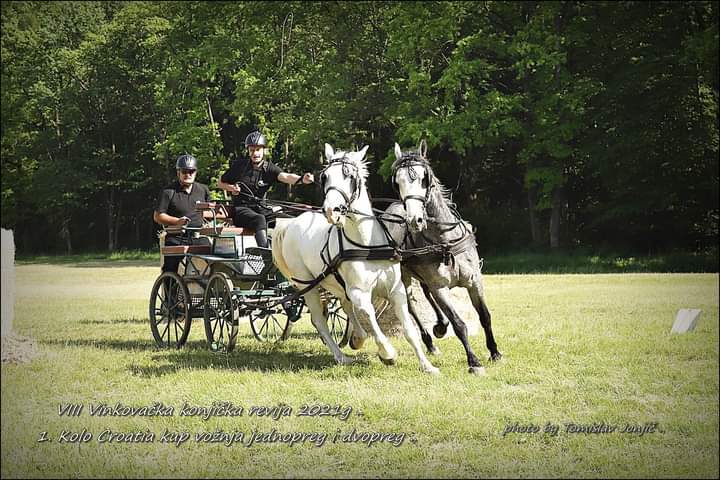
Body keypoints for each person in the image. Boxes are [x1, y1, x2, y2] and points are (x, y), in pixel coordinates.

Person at [217, 130, 314, 251]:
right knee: (259, 219)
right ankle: (265, 254)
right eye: (252, 150)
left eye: (258, 150)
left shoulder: (269, 168)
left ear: (264, 150)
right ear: (248, 150)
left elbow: (285, 177)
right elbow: (220, 183)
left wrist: (302, 179)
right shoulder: (239, 166)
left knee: (290, 220)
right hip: (241, 210)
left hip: (261, 208)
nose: (255, 153)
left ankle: (295, 252)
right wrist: (231, 188)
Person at [153, 154, 211, 273]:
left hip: (198, 236)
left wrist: (221, 215)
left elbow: (207, 213)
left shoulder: (203, 189)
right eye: (184, 171)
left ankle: (206, 284)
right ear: (178, 172)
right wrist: (177, 222)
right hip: (176, 236)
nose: (188, 175)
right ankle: (170, 289)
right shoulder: (168, 192)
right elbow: (158, 216)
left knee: (214, 254)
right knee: (171, 266)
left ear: (195, 172)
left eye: (191, 171)